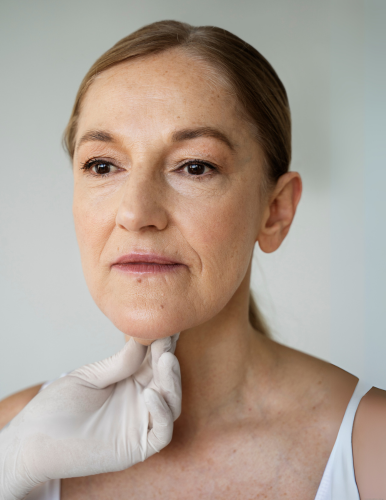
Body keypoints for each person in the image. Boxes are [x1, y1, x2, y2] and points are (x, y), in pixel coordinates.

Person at [0, 19, 385, 500]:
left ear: (275, 212)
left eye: (194, 166)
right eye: (103, 165)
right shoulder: (14, 433)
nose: (137, 213)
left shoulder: (374, 451)